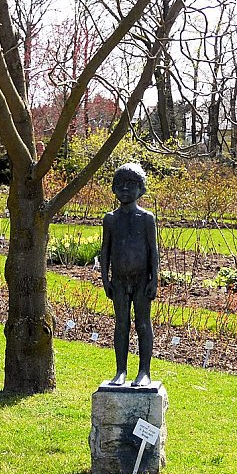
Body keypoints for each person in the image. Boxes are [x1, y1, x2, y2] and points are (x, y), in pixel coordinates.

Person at [100, 163, 159, 387]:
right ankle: (121, 370)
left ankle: (144, 371)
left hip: (142, 281)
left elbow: (153, 251)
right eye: (120, 184)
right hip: (119, 281)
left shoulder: (146, 219)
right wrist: (106, 280)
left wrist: (155, 279)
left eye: (131, 184)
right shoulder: (110, 219)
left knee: (143, 323)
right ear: (114, 189)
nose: (125, 189)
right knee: (121, 324)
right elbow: (105, 251)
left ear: (141, 189)